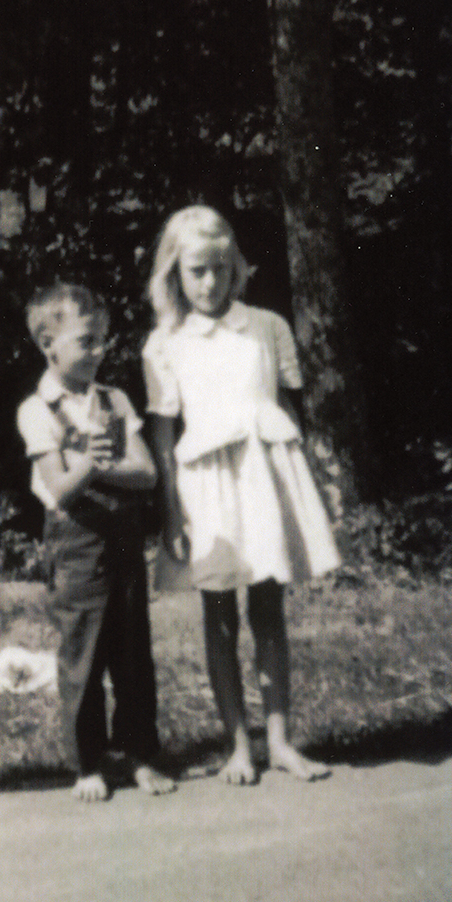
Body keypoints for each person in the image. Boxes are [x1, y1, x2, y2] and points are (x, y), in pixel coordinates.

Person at [143, 205, 340, 785]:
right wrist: (171, 511)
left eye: (221, 270)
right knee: (219, 612)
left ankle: (279, 739)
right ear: (175, 273)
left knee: (269, 608)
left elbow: (291, 407)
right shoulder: (165, 344)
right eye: (197, 271)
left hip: (264, 477)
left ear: (237, 270)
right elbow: (162, 436)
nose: (210, 283)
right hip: (206, 487)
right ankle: (238, 745)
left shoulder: (266, 327)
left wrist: (311, 487)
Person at [17, 283, 176, 802]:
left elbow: (147, 472)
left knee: (133, 654)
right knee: (83, 652)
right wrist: (99, 461)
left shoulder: (115, 399)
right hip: (76, 541)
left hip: (125, 538)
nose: (100, 350)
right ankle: (89, 763)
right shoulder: (37, 409)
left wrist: (88, 461)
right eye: (87, 340)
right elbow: (61, 488)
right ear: (49, 343)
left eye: (104, 339)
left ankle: (137, 753)